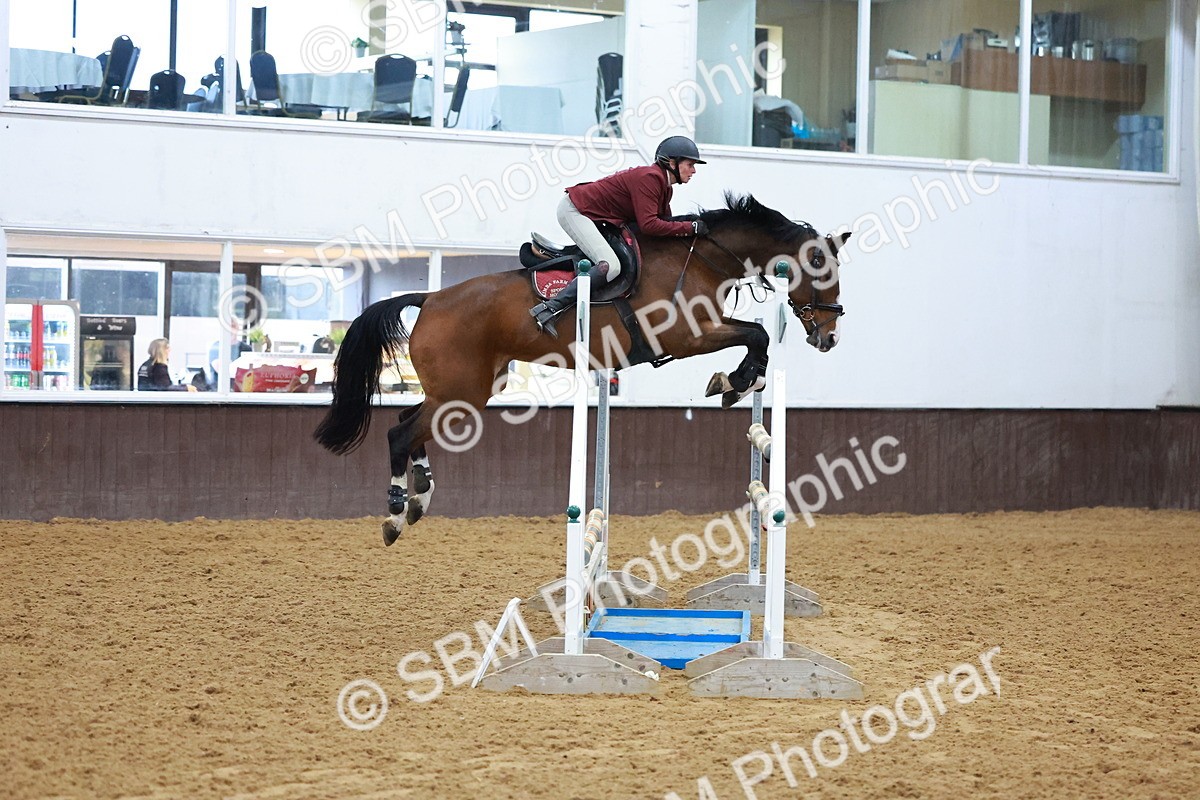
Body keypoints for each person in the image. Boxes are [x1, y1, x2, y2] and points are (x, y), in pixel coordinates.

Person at [529, 135, 709, 337]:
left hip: (596, 217)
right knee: (610, 266)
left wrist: (691, 231)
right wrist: (690, 227)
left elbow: (665, 224)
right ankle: (548, 309)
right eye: (690, 164)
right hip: (575, 211)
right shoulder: (651, 178)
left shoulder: (665, 188)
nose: (693, 170)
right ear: (672, 162)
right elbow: (649, 225)